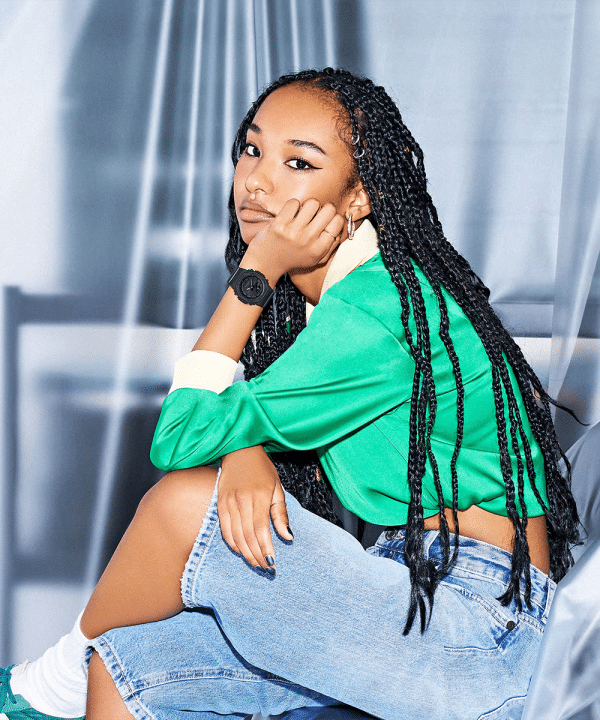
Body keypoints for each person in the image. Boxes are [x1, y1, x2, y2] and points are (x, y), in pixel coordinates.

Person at [0, 68, 581, 720]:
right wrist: (241, 447)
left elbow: (180, 436)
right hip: (410, 581)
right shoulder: (339, 304)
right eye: (252, 149)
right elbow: (232, 420)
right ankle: (74, 676)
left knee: (186, 502)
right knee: (131, 665)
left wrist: (259, 267)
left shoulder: (379, 312)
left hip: (481, 628)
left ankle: (49, 685)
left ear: (359, 197)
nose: (256, 181)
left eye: (298, 162)